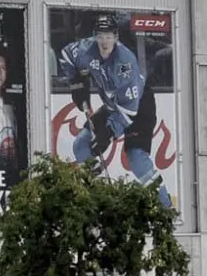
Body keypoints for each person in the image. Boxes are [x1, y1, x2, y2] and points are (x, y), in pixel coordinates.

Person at [55, 15, 172, 210]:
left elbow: (128, 111)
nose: (104, 41)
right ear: (95, 36)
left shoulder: (125, 63)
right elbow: (66, 55)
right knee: (82, 144)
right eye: (100, 36)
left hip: (139, 107)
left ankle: (166, 208)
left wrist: (108, 133)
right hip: (113, 106)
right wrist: (76, 82)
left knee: (136, 158)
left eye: (109, 36)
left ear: (116, 37)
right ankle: (97, 200)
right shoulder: (87, 49)